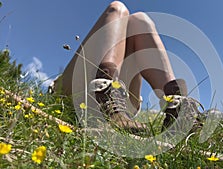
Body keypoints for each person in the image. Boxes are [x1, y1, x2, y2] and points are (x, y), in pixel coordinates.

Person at [50, 1, 202, 133]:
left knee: (141, 20)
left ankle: (177, 106)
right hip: (73, 92)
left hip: (122, 102)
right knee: (117, 8)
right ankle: (103, 85)